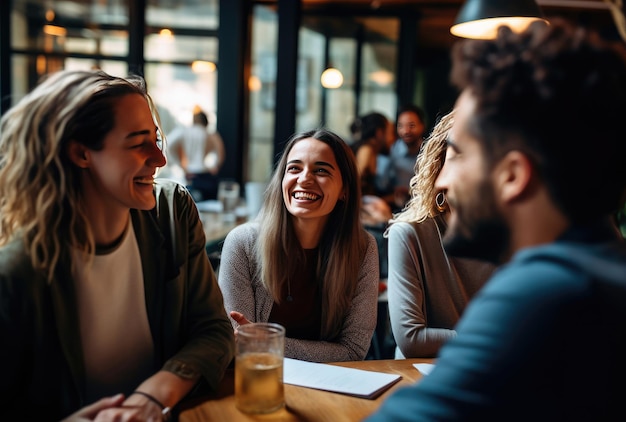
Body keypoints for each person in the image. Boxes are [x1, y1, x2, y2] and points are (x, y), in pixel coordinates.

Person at [366, 18, 626, 421]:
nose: (443, 180)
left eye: (457, 154)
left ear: (512, 176)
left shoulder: (546, 292)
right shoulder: (601, 268)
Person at [0, 69, 235, 421]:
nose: (160, 159)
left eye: (155, 139)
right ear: (81, 154)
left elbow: (214, 330)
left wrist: (152, 397)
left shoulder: (172, 211)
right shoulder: (16, 273)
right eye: (138, 143)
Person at [218, 129, 380, 362]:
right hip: (258, 382)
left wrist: (265, 342)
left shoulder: (363, 249)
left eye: (321, 170)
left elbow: (354, 350)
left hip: (329, 389)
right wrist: (255, 344)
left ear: (344, 190)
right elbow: (239, 346)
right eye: (294, 168)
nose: (304, 179)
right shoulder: (242, 243)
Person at [385, 110, 495, 359]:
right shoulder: (409, 234)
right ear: (439, 169)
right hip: (419, 378)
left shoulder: (512, 240)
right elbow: (411, 339)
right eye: (460, 158)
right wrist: (493, 340)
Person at [168, 108, 225, 201]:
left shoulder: (184, 132)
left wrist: (180, 165)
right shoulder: (210, 134)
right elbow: (220, 153)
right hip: (206, 174)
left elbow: (169, 145)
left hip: (190, 174)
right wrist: (215, 166)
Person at [351, 111, 394, 225]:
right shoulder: (366, 150)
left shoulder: (373, 152)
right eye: (390, 132)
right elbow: (354, 184)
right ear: (380, 133)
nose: (393, 138)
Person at [385, 104, 427, 211]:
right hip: (394, 207)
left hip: (422, 208)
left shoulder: (429, 152)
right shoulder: (392, 150)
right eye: (400, 126)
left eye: (411, 126)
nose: (406, 131)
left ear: (422, 126)